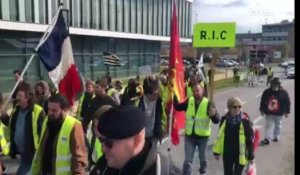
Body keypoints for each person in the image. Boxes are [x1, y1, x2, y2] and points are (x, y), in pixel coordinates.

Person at [90, 105, 181, 175]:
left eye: (109, 143)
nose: (103, 149)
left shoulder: (163, 170)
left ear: (136, 140)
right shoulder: (103, 167)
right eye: (101, 140)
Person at [31, 94, 87, 174]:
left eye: (54, 110)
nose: (50, 113)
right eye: (49, 109)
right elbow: (41, 150)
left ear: (65, 110)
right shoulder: (47, 121)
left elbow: (79, 158)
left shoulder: (74, 126)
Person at [173, 83, 220, 175]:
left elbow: (217, 120)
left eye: (197, 91)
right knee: (187, 159)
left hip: (203, 138)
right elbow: (177, 107)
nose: (195, 93)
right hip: (190, 137)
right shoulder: (189, 101)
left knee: (203, 158)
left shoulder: (208, 103)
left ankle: (203, 172)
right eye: (193, 91)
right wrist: (173, 94)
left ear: (202, 91)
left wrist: (213, 115)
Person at [0, 82, 46, 175]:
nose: (17, 97)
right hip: (23, 156)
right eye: (17, 95)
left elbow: (44, 133)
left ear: (27, 97)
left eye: (20, 95)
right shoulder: (16, 111)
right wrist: (3, 115)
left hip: (34, 156)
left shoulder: (37, 111)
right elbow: (10, 126)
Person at [213, 97, 255, 175]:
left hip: (240, 154)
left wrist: (251, 155)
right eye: (235, 107)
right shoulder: (224, 120)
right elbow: (220, 137)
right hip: (228, 153)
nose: (237, 109)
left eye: (239, 106)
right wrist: (216, 152)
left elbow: (250, 139)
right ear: (229, 108)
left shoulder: (245, 121)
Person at [259, 77, 291, 145]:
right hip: (269, 112)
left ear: (279, 85)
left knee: (278, 125)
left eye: (276, 84)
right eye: (274, 84)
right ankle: (267, 138)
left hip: (279, 113)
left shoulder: (283, 92)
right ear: (271, 84)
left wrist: (287, 111)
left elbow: (287, 102)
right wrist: (261, 109)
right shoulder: (267, 92)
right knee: (268, 125)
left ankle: (276, 136)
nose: (275, 86)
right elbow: (262, 101)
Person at [136, 76, 167, 144]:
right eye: (154, 94)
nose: (156, 94)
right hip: (141, 137)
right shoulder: (139, 103)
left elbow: (163, 117)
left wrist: (161, 130)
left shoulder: (160, 102)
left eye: (157, 92)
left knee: (152, 153)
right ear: (147, 92)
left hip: (154, 135)